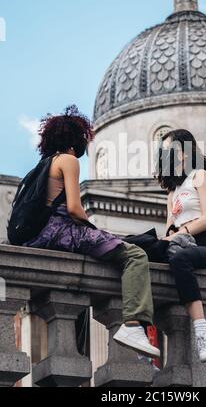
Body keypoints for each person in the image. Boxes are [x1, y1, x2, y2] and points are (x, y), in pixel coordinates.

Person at [23, 105, 159, 359]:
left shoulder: (44, 165)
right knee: (135, 254)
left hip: (40, 235)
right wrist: (94, 229)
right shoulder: (68, 160)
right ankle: (132, 325)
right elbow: (74, 208)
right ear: (76, 140)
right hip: (61, 231)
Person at [155, 129, 206, 363]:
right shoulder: (172, 192)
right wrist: (169, 237)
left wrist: (181, 232)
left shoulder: (200, 176)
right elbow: (169, 228)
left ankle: (202, 331)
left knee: (180, 259)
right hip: (181, 243)